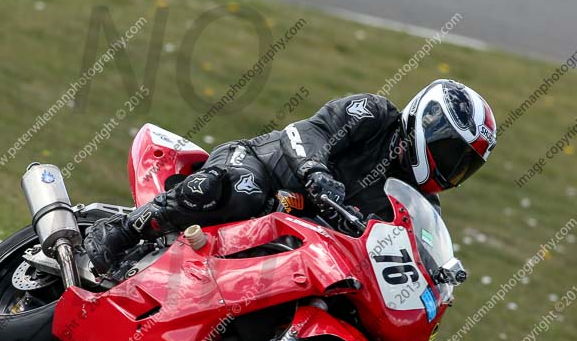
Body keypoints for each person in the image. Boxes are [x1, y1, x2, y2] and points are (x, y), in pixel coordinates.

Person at [84, 79, 497, 274]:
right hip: (262, 170)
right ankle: (121, 231)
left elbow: (408, 260)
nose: (452, 170)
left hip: (296, 234)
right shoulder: (373, 114)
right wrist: (315, 172)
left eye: (465, 165)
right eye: (450, 154)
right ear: (425, 124)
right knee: (239, 191)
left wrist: (438, 276)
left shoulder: (418, 205)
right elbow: (304, 132)